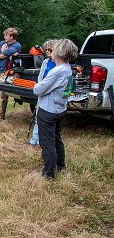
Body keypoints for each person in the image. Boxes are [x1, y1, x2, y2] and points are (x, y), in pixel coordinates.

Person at [33, 39, 77, 179]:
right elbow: (66, 91)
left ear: (59, 52)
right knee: (57, 138)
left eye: (53, 49)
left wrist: (39, 86)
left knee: (47, 142)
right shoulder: (67, 68)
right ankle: (60, 165)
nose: (50, 52)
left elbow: (38, 89)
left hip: (48, 111)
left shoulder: (57, 71)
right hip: (59, 109)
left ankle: (49, 173)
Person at [0, 27, 21, 120]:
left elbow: (6, 52)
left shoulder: (17, 45)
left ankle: (0, 116)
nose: (4, 37)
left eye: (6, 35)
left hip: (7, 73)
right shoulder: (2, 43)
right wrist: (4, 53)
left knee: (3, 95)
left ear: (12, 37)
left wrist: (3, 51)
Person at [29, 40, 58, 146]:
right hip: (42, 92)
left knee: (48, 120)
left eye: (49, 49)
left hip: (52, 95)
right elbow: (40, 76)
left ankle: (45, 141)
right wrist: (39, 88)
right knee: (38, 117)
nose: (47, 51)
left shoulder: (59, 64)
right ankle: (34, 141)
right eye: (45, 49)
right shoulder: (45, 62)